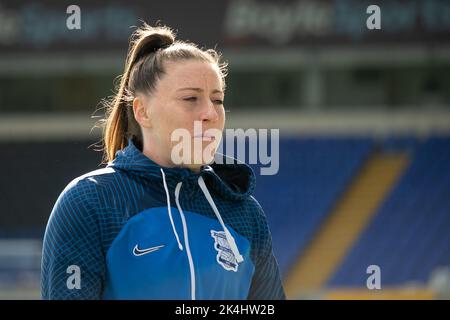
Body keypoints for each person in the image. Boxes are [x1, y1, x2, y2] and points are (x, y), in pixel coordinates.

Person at [41, 23, 285, 300]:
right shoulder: (91, 201)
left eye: (217, 100)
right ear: (142, 112)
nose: (210, 113)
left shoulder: (244, 213)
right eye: (191, 98)